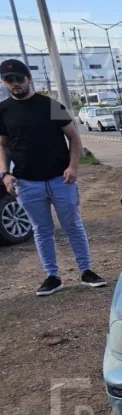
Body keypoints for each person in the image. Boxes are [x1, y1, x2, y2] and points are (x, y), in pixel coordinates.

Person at [0, 59, 106, 296]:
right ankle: (52, 276)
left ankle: (87, 271)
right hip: (27, 183)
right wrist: (5, 173)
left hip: (61, 179)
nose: (15, 84)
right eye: (9, 80)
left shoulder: (51, 104)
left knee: (73, 226)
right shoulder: (3, 110)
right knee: (42, 229)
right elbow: (3, 146)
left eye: (19, 79)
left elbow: (74, 138)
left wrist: (73, 167)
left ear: (29, 79)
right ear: (4, 83)